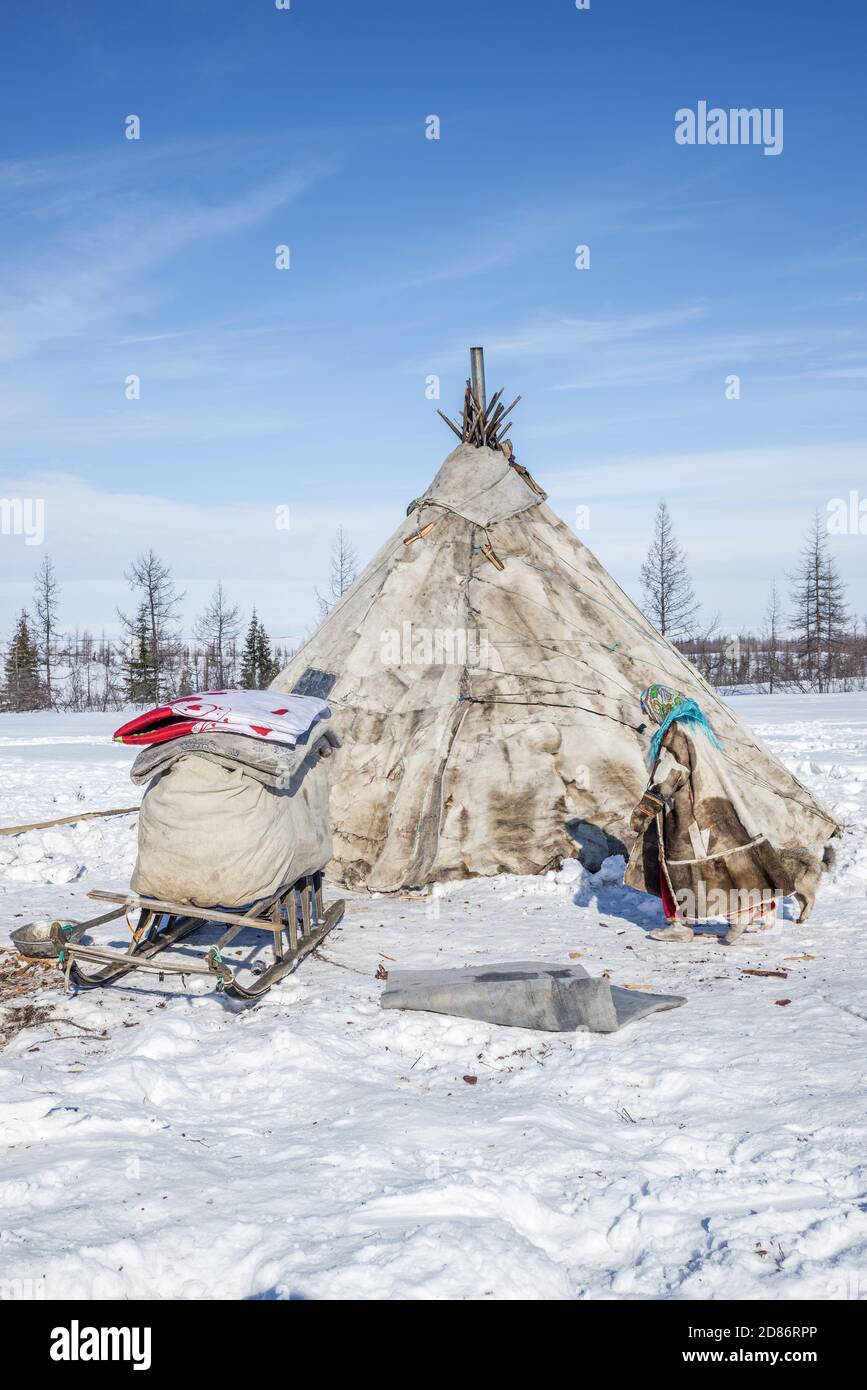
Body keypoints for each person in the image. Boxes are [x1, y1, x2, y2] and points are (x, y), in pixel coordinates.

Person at [625, 684, 794, 943]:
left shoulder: (674, 732)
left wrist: (647, 807)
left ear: (659, 707)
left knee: (674, 868)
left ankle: (679, 926)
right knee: (722, 863)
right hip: (715, 805)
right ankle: (742, 914)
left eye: (649, 710)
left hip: (686, 812)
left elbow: (672, 774)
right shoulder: (696, 725)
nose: (649, 717)